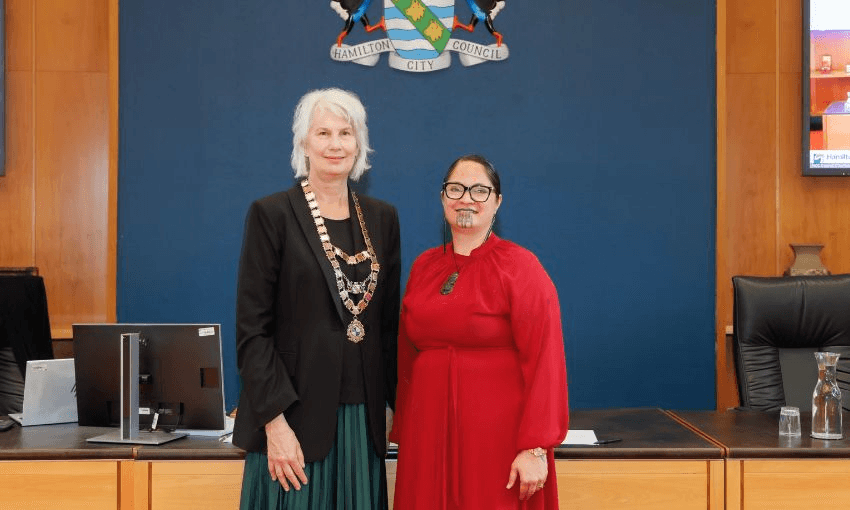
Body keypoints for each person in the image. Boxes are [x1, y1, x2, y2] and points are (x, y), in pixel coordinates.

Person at [233, 88, 400, 510]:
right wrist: (274, 425)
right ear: (303, 144)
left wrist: (401, 410)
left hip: (362, 425)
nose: (335, 143)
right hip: (292, 421)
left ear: (359, 143)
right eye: (322, 132)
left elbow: (388, 329)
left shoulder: (382, 218)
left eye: (346, 132)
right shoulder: (271, 214)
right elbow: (253, 332)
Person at [390, 155, 569, 509]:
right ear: (443, 198)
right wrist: (403, 428)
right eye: (455, 189)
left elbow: (545, 361)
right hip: (428, 434)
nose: (466, 198)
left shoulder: (520, 267)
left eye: (479, 190)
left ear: (497, 201)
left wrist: (535, 448)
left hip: (497, 439)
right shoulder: (424, 267)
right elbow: (406, 358)